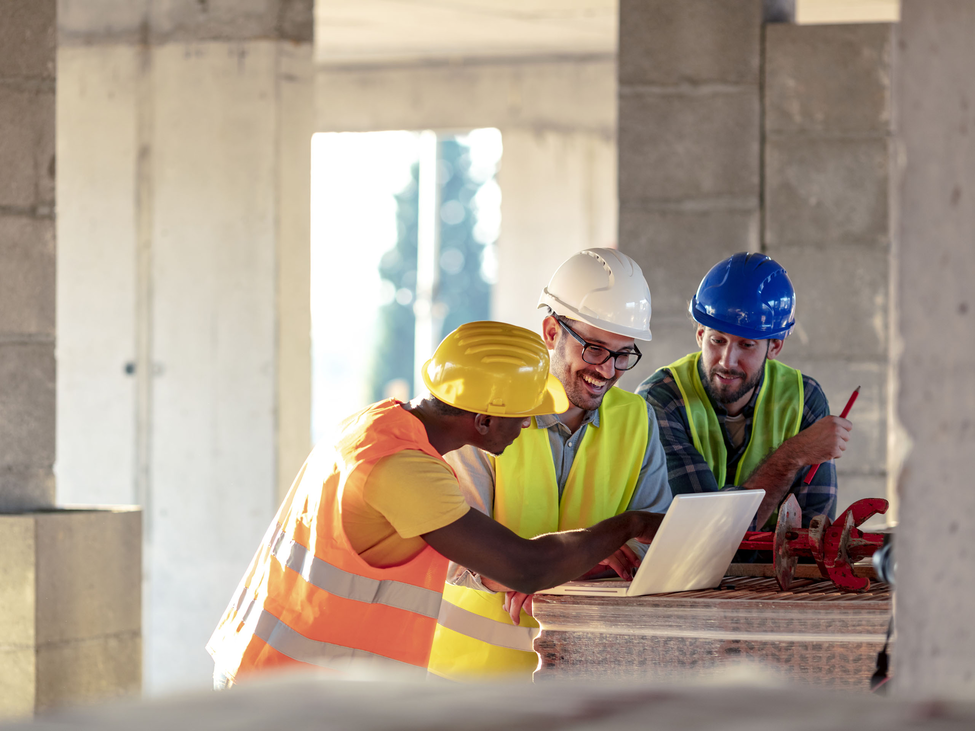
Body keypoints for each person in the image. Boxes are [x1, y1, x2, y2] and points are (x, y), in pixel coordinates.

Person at [206, 321, 664, 688]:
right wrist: (629, 524)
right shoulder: (404, 471)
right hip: (285, 688)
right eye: (523, 413)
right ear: (483, 419)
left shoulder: (380, 425)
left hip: (284, 676)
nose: (528, 424)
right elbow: (523, 567)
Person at [427, 249, 672, 682]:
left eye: (623, 354)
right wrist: (590, 551)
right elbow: (458, 556)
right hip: (476, 679)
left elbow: (652, 544)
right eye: (595, 349)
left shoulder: (637, 418)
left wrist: (562, 563)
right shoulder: (484, 410)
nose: (608, 370)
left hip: (587, 673)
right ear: (550, 331)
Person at [637, 252, 849, 536]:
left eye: (746, 345)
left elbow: (813, 538)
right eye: (717, 340)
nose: (727, 360)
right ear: (700, 334)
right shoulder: (661, 399)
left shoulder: (804, 399)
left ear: (774, 347)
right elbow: (705, 533)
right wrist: (791, 456)